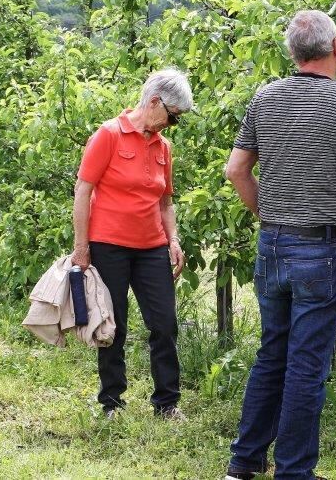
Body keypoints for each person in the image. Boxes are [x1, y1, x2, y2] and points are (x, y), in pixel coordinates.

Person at [223, 10, 336, 480]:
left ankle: (243, 464)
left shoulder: (265, 99)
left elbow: (236, 170)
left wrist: (269, 217)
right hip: (321, 250)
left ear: (292, 53)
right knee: (307, 366)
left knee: (272, 353)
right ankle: (293, 472)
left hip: (272, 245)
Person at [71, 68, 192, 420]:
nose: (172, 125)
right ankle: (112, 403)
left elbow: (166, 202)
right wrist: (82, 248)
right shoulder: (108, 135)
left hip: (151, 246)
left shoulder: (162, 147)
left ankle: (167, 403)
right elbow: (83, 191)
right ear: (155, 102)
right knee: (114, 325)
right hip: (108, 244)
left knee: (165, 323)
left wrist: (174, 240)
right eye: (173, 117)